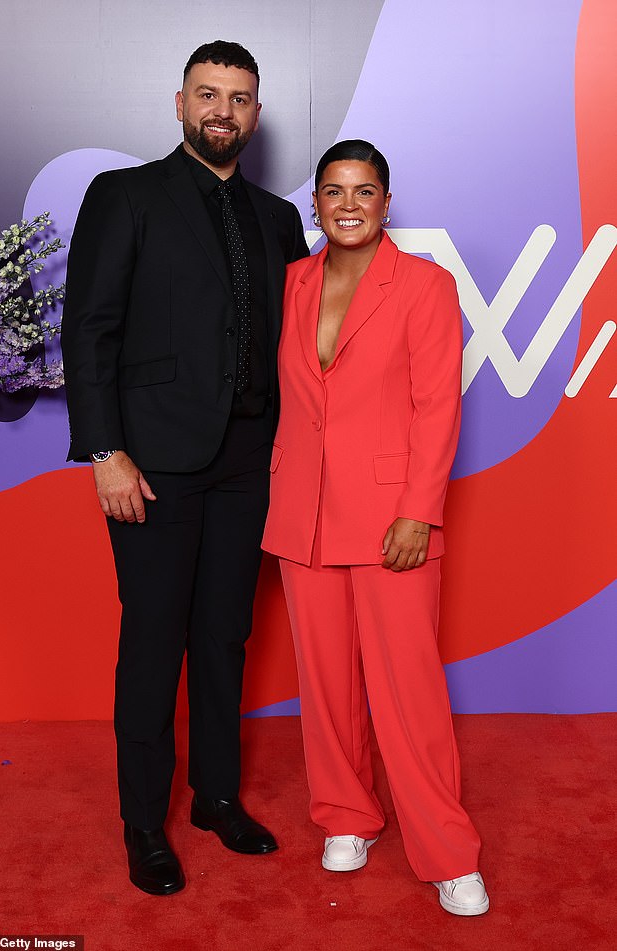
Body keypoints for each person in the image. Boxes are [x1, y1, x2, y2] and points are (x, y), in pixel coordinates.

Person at [62, 40, 309, 896]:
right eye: (208, 95)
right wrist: (105, 451)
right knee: (154, 643)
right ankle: (144, 822)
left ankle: (214, 796)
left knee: (224, 638)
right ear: (179, 104)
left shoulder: (279, 219)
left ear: (256, 112)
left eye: (239, 99)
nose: (223, 112)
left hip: (249, 462)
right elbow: (88, 329)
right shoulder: (125, 195)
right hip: (152, 463)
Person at [262, 140, 490, 916]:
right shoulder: (292, 281)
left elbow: (438, 407)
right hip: (305, 513)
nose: (348, 203)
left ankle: (448, 851)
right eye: (333, 190)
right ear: (316, 204)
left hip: (395, 516)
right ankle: (347, 814)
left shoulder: (425, 286)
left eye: (364, 190)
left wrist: (419, 510)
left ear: (386, 201)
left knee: (408, 691)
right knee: (323, 684)